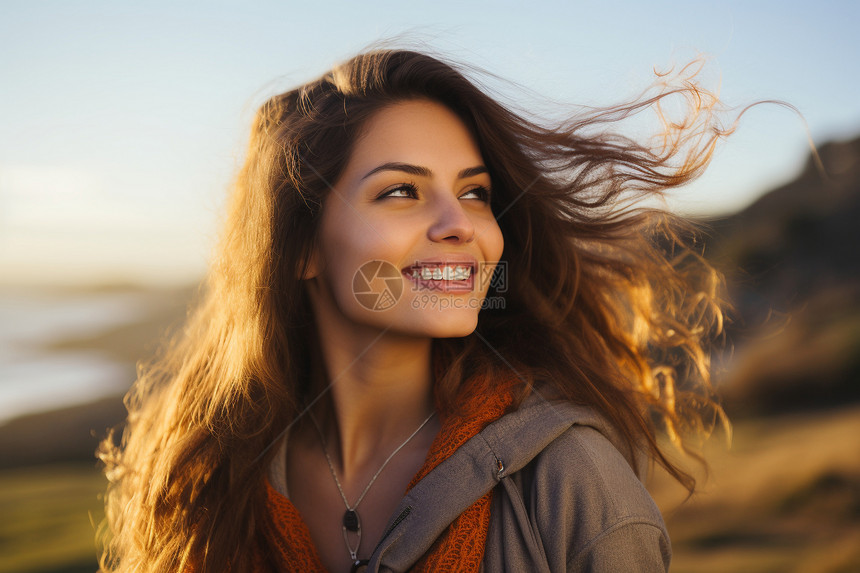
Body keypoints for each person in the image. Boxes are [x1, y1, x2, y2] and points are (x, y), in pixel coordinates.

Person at [98, 48, 730, 572]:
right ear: (301, 249)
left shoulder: (572, 486)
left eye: (476, 193)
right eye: (402, 191)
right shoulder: (209, 481)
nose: (461, 225)